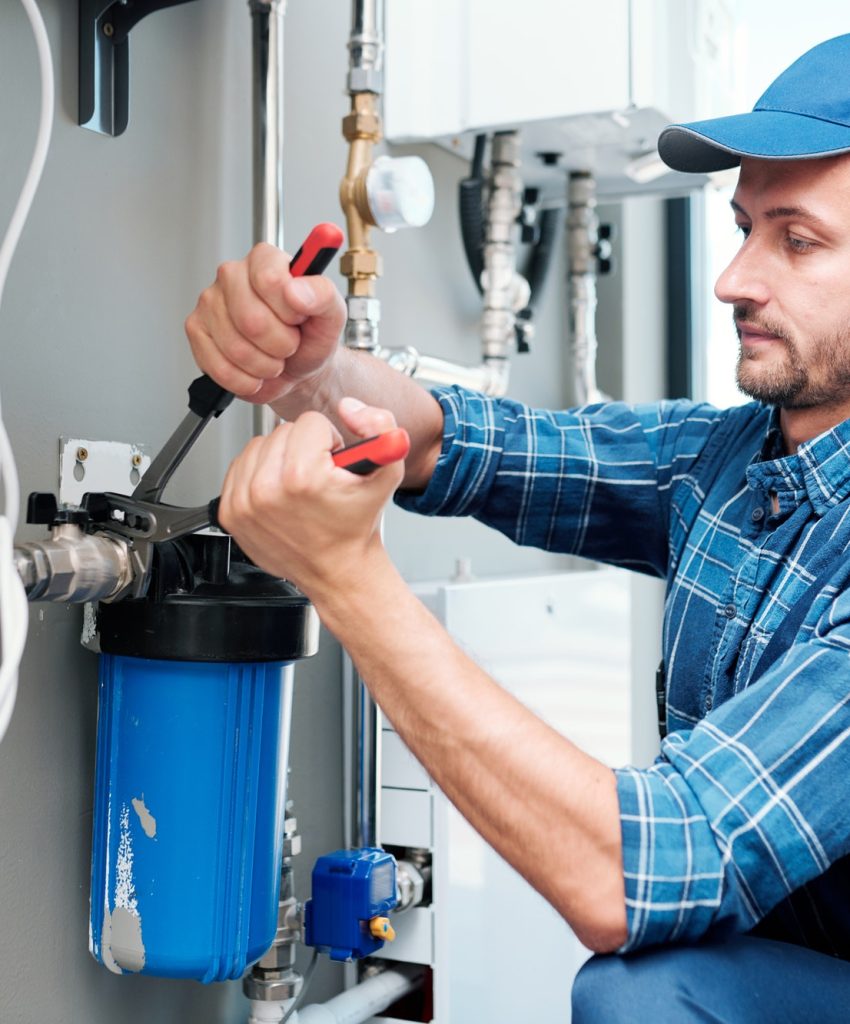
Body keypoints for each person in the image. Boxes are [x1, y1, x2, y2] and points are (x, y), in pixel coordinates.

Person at [185, 35, 850, 1023]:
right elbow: (470, 442)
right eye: (743, 227)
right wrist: (309, 375)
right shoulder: (732, 458)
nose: (732, 279)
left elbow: (636, 873)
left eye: (795, 241)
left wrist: (352, 583)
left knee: (647, 994)